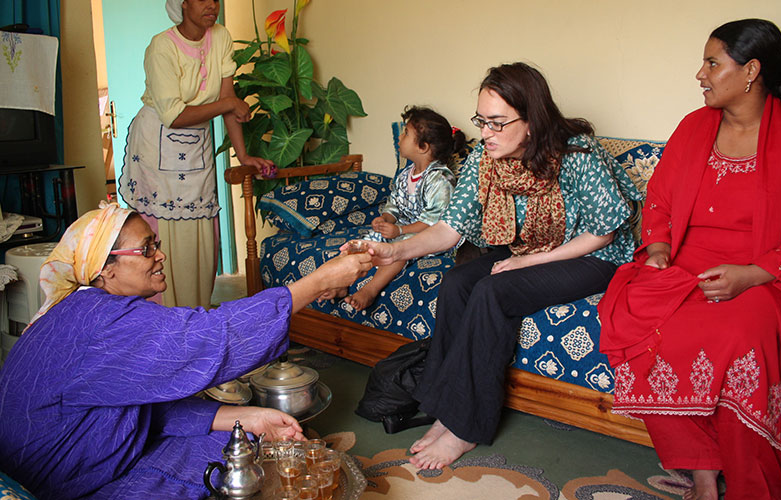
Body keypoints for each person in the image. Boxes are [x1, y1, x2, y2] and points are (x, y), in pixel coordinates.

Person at [344, 62, 641, 469]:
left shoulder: (577, 154)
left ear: (532, 121)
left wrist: (530, 262)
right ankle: (442, 408)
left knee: (492, 291)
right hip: (534, 246)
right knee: (457, 281)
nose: (485, 133)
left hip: (593, 254)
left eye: (498, 123)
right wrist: (392, 252)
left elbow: (604, 233)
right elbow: (449, 229)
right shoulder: (486, 161)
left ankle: (466, 426)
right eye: (482, 121)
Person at [0, 202, 372, 500]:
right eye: (146, 249)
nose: (159, 255)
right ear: (106, 270)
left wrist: (249, 416)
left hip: (87, 448)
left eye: (155, 244)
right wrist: (318, 281)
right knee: (231, 463)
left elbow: (137, 402)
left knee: (240, 441)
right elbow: (211, 337)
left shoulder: (91, 309)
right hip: (57, 479)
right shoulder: (100, 323)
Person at [598, 19, 781, 500]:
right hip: (683, 270)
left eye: (712, 63)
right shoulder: (694, 126)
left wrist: (751, 274)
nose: (700, 75)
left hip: (762, 277)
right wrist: (660, 250)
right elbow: (659, 202)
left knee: (741, 339)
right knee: (631, 320)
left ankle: (752, 484)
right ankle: (704, 475)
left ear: (750, 70)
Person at [118, 0, 273, 309]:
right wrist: (228, 105)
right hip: (157, 146)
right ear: (183, 3)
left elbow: (228, 97)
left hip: (196, 147)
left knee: (201, 241)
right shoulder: (161, 47)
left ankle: (194, 317)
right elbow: (173, 115)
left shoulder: (221, 37)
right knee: (163, 241)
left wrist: (243, 156)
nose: (211, 5)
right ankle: (162, 325)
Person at [326, 106, 464, 310]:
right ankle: (341, 284)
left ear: (423, 147)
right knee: (365, 242)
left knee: (401, 247)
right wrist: (386, 220)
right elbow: (394, 205)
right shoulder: (405, 175)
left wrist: (400, 231)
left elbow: (435, 223)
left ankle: (370, 290)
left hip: (430, 238)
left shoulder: (440, 179)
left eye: (406, 133)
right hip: (402, 230)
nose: (400, 137)